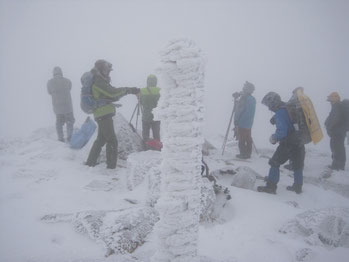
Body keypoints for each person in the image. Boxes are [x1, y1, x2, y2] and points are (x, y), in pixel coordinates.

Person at [85, 59, 140, 169]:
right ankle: (111, 167)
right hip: (103, 114)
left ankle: (90, 162)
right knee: (112, 140)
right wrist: (132, 90)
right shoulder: (98, 81)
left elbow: (111, 96)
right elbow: (112, 93)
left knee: (101, 139)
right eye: (107, 70)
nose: (109, 72)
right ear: (102, 69)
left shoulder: (99, 80)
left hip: (101, 113)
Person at [257, 92, 305, 194]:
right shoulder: (289, 107)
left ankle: (271, 186)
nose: (268, 107)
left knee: (274, 162)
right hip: (299, 140)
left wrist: (273, 138)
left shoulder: (279, 113)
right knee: (297, 164)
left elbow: (281, 132)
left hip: (288, 142)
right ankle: (298, 186)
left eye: (268, 104)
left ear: (272, 103)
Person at [47, 66, 75, 142]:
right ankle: (70, 136)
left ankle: (60, 138)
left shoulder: (50, 82)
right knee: (70, 121)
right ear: (61, 72)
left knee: (59, 123)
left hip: (57, 107)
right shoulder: (67, 81)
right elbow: (70, 87)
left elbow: (49, 92)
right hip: (68, 106)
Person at [233, 81, 256, 159]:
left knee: (242, 139)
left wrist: (236, 121)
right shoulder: (252, 99)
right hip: (249, 123)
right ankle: (248, 153)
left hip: (242, 122)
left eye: (244, 88)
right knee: (248, 138)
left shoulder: (244, 99)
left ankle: (243, 154)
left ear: (247, 89)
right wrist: (239, 95)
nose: (243, 89)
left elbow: (240, 110)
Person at [325, 92, 346, 171]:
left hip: (337, 131)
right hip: (341, 131)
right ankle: (340, 165)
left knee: (335, 147)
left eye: (331, 101)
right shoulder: (339, 106)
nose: (330, 102)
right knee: (340, 147)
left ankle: (336, 165)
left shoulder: (337, 107)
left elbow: (334, 119)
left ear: (334, 100)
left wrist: (329, 127)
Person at [139, 74, 161, 142]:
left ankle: (146, 147)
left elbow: (141, 102)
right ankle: (157, 148)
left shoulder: (142, 90)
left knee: (145, 134)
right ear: (155, 81)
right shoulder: (159, 90)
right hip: (156, 116)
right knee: (156, 134)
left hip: (146, 116)